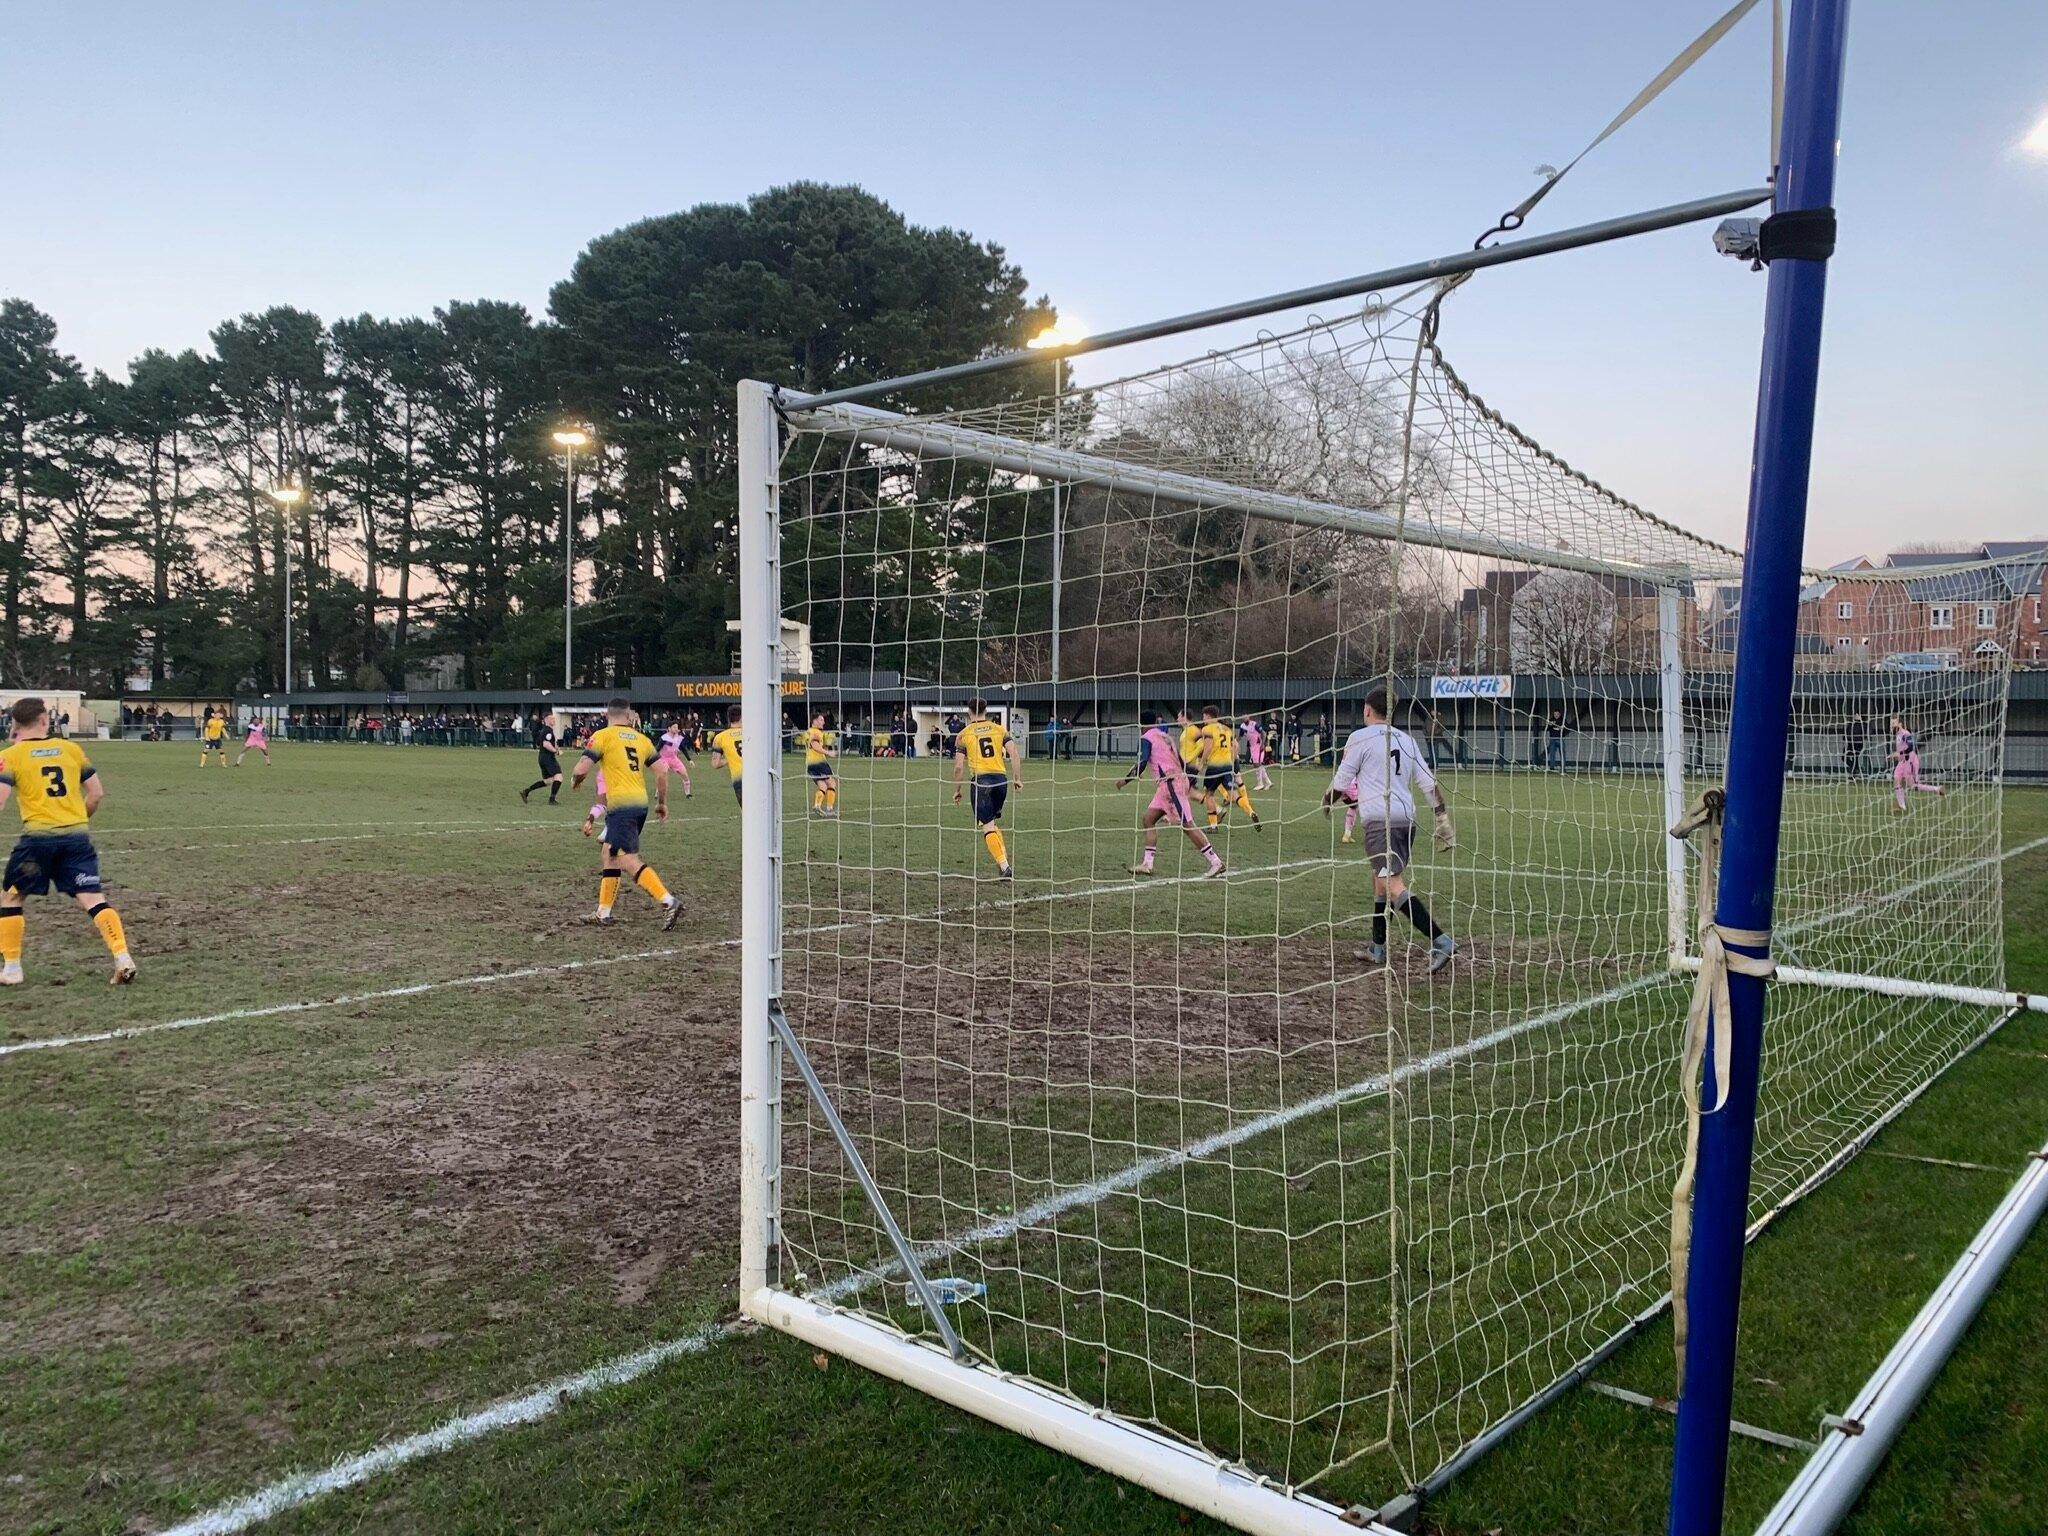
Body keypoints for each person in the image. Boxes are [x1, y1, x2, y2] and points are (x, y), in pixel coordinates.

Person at [0, 696, 137, 985]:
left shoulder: (10, 756)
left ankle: (12, 969)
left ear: (15, 724)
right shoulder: (71, 749)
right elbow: (96, 793)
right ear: (44, 720)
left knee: (12, 897)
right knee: (93, 898)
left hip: (37, 841)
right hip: (76, 839)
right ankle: (122, 956)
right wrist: (77, 819)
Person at [1325, 687, 1457, 974]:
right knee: (1380, 880)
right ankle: (1378, 946)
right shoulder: (1407, 740)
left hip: (1380, 821)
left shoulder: (1359, 738)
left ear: (1367, 710)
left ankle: (1441, 941)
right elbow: (1428, 782)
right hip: (1405, 820)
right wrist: (1442, 818)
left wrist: (1326, 802)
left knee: (1392, 885)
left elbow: (1340, 783)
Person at [571, 699, 679, 928]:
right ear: (628, 716)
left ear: (607, 714)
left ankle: (668, 901)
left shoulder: (603, 735)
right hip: (640, 804)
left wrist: (576, 779)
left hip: (621, 806)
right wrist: (662, 803)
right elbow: (662, 771)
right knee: (608, 853)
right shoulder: (642, 739)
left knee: (626, 858)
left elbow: (581, 768)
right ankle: (603, 912)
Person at [1116, 710, 1224, 878]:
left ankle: (1216, 862)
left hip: (1171, 783)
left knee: (1188, 825)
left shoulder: (1146, 738)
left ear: (1142, 725)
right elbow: (1179, 759)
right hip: (1169, 784)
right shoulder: (1165, 736)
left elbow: (1142, 761)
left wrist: (1124, 780)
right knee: (1148, 819)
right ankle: (1147, 864)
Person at [952, 699, 1021, 878]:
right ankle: (1003, 861)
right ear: (986, 710)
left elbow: (959, 767)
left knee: (987, 825)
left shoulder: (964, 734)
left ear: (969, 711)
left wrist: (957, 790)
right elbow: (1014, 752)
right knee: (992, 822)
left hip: (981, 782)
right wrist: (1017, 779)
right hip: (1001, 781)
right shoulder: (999, 729)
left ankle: (1005, 867)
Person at [1199, 705, 1260, 829]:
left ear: (1209, 716)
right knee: (1235, 794)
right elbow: (1236, 747)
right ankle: (1251, 812)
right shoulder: (1227, 729)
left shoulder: (1207, 729)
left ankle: (1213, 826)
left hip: (1214, 767)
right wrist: (1231, 761)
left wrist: (1201, 762)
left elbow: (1208, 747)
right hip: (1227, 767)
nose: (1203, 719)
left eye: (1204, 716)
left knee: (1209, 795)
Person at [1890, 715, 1947, 812]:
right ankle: (1902, 806)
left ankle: (1937, 789)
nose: (1892, 725)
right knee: (1896, 779)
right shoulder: (1898, 735)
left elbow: (1911, 747)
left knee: (1913, 786)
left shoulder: (1905, 734)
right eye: (1891, 723)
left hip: (1910, 761)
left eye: (1894, 723)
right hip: (1902, 762)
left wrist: (1898, 753)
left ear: (1900, 724)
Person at [521, 716, 564, 804]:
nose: (554, 720)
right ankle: (552, 800)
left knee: (549, 781)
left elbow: (550, 742)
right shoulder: (548, 730)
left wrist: (556, 747)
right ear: (546, 720)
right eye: (552, 719)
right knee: (559, 777)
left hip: (542, 758)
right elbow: (546, 744)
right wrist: (556, 751)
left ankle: (526, 791)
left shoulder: (545, 730)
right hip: (548, 758)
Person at [804, 711, 839, 817]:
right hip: (819, 762)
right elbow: (814, 745)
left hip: (809, 763)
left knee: (822, 785)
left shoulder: (808, 732)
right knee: (832, 783)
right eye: (821, 720)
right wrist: (829, 752)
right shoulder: (816, 732)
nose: (823, 722)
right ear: (814, 721)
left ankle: (817, 805)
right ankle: (829, 809)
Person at [710, 705, 745, 804]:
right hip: (757, 777)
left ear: (729, 718)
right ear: (742, 717)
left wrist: (729, 758)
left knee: (747, 813)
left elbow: (715, 764)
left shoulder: (720, 737)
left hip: (739, 780)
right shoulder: (752, 733)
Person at [658, 720, 694, 796]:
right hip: (664, 759)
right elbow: (657, 749)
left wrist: (689, 760)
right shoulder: (664, 738)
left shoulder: (679, 738)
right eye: (674, 727)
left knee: (685, 774)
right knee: (664, 774)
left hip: (674, 758)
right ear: (669, 728)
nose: (676, 728)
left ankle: (688, 794)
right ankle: (658, 791)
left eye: (677, 727)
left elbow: (683, 749)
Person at [1242, 714, 1274, 792]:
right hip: (1252, 747)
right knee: (1257, 764)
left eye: (1246, 717)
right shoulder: (1242, 726)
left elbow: (1263, 733)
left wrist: (1263, 744)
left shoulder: (1254, 724)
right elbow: (1240, 736)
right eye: (1243, 717)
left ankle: (1260, 783)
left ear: (1248, 718)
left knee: (1257, 764)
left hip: (1258, 745)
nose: (1244, 718)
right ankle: (1268, 782)